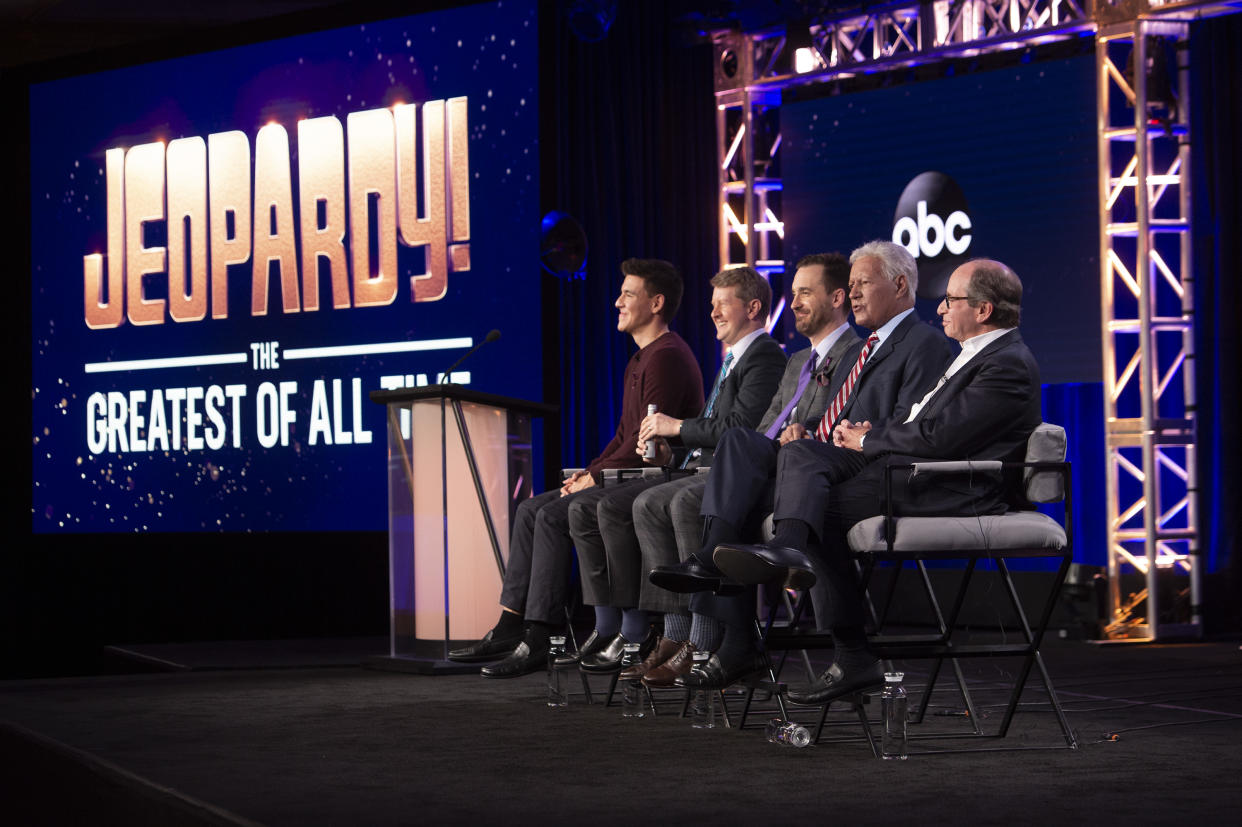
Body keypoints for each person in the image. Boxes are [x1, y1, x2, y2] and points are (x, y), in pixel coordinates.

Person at [714, 258, 1041, 705]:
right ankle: (787, 556)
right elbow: (923, 423)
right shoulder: (977, 354)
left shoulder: (1006, 364)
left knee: (818, 506)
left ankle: (851, 653)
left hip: (953, 486)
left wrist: (870, 437)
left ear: (983, 310)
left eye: (951, 300)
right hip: (910, 467)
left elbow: (942, 437)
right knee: (803, 459)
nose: (941, 308)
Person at [648, 240, 954, 691]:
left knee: (757, 497)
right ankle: (713, 559)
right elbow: (835, 408)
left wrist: (847, 435)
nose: (852, 294)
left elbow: (912, 422)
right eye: (850, 285)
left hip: (861, 465)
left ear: (901, 284)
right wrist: (806, 428)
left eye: (862, 284)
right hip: (822, 455)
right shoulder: (866, 347)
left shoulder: (923, 343)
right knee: (740, 443)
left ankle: (737, 639)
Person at [448, 259, 704, 677]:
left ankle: (539, 637)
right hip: (626, 473)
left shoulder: (666, 357)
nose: (616, 302)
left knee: (551, 514)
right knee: (531, 511)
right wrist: (588, 472)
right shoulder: (640, 359)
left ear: (656, 303)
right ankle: (510, 625)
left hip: (655, 479)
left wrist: (595, 477)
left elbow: (647, 448)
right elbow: (623, 437)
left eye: (628, 294)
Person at [622, 252, 859, 686]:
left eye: (806, 292)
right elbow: (763, 429)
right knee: (661, 498)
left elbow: (833, 424)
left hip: (806, 475)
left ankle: (714, 636)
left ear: (838, 297)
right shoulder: (795, 362)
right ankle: (693, 632)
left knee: (685, 500)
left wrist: (800, 435)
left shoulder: (853, 352)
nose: (796, 301)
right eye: (795, 292)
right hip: (763, 466)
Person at [564, 266, 786, 674]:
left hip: (733, 482)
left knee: (669, 502)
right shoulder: (734, 358)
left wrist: (676, 427)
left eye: (723, 305)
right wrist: (670, 453)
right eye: (712, 305)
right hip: (701, 472)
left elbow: (739, 429)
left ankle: (699, 636)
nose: (714, 313)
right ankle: (672, 629)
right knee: (647, 504)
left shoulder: (765, 355)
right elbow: (710, 431)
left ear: (753, 308)